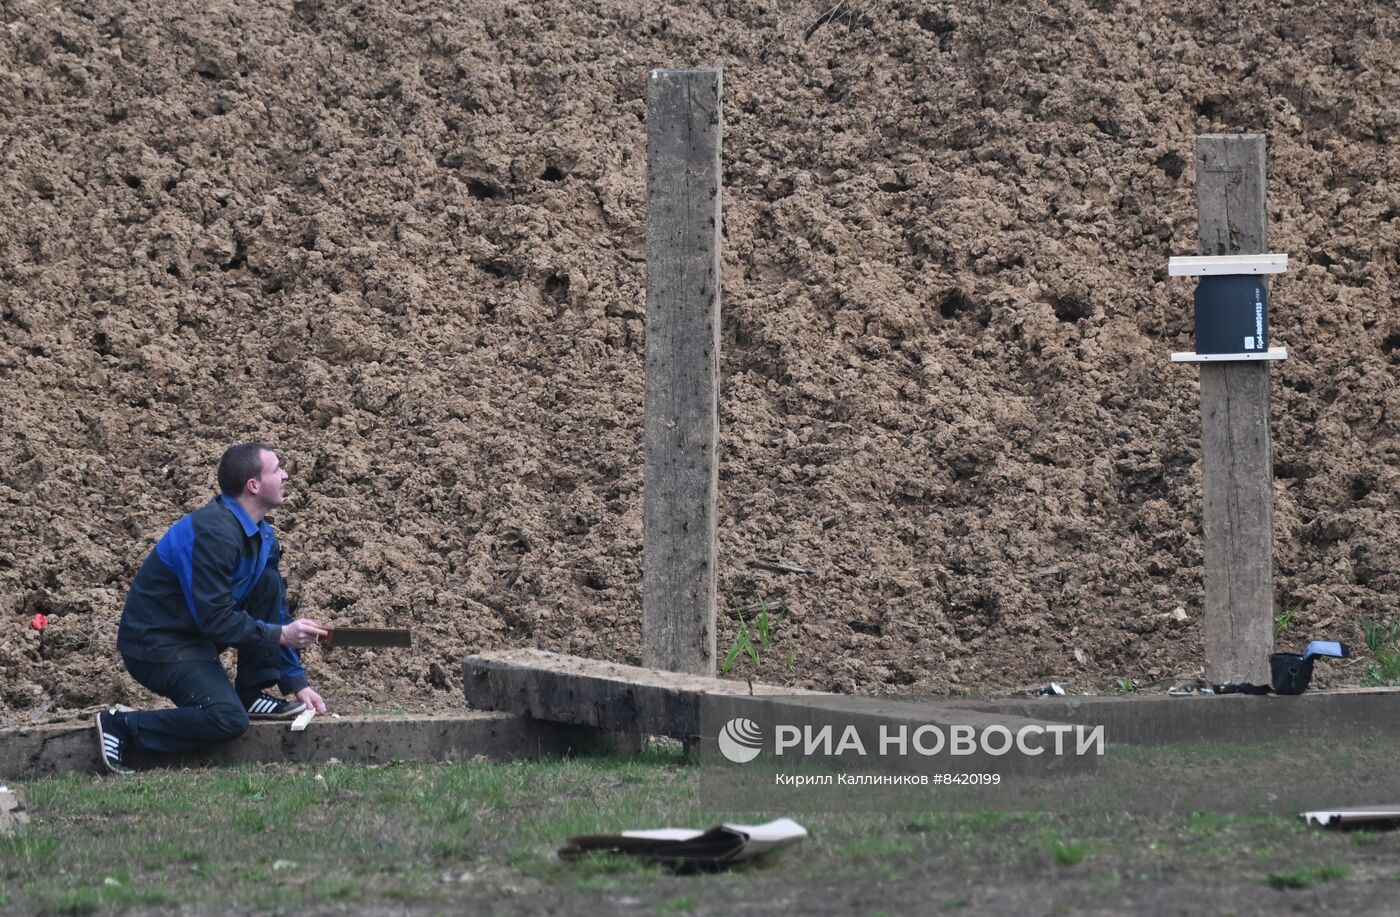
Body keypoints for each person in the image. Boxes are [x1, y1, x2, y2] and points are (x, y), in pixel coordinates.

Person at [95, 443, 329, 775]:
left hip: (193, 638)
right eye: (277, 469)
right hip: (156, 645)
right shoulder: (214, 534)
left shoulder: (261, 536)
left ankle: (250, 694)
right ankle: (123, 726)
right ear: (253, 485)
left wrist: (296, 682)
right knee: (227, 719)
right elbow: (216, 619)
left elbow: (273, 609)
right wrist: (280, 635)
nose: (285, 474)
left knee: (267, 583)